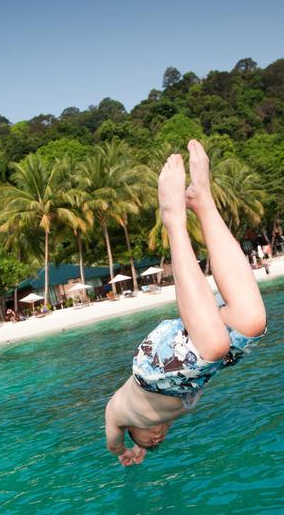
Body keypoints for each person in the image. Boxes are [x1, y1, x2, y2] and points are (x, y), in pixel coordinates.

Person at [104, 140, 267, 465]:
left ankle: (174, 220)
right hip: (192, 370)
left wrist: (125, 451)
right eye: (157, 444)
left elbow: (111, 442)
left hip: (152, 370)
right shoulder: (172, 412)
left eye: (147, 443)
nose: (155, 440)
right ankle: (202, 202)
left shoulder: (119, 414)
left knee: (214, 347)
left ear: (131, 433)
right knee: (251, 323)